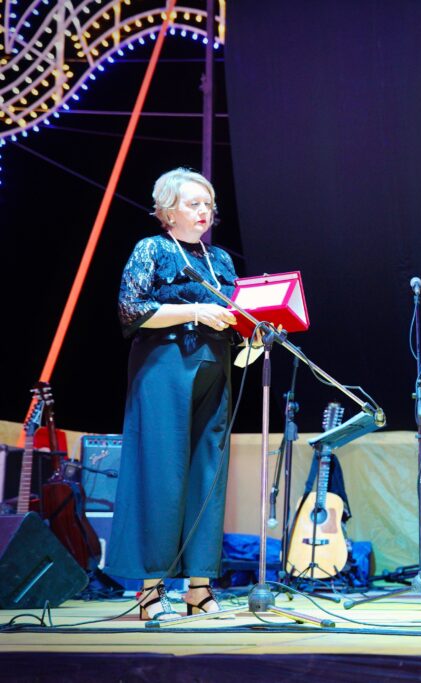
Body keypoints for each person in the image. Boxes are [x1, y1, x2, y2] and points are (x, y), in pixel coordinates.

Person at [107, 168, 239, 620]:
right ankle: (150, 591)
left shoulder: (219, 259)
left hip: (214, 366)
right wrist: (195, 310)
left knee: (208, 474)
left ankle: (198, 589)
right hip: (164, 368)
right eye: (193, 204)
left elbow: (234, 313)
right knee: (161, 474)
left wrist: (255, 334)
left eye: (208, 204)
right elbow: (132, 309)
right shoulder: (153, 249)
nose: (204, 211)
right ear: (168, 210)